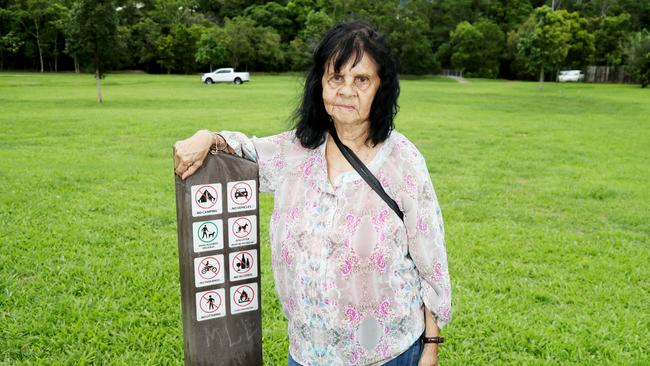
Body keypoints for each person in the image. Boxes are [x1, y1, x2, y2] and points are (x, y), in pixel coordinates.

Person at [174, 21, 452, 366]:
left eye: (361, 79)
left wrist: (432, 344)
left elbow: (431, 259)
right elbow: (242, 152)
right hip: (308, 354)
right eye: (336, 77)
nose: (346, 90)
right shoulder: (296, 151)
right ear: (320, 83)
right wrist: (207, 136)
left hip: (388, 353)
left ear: (382, 88)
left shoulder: (402, 161)